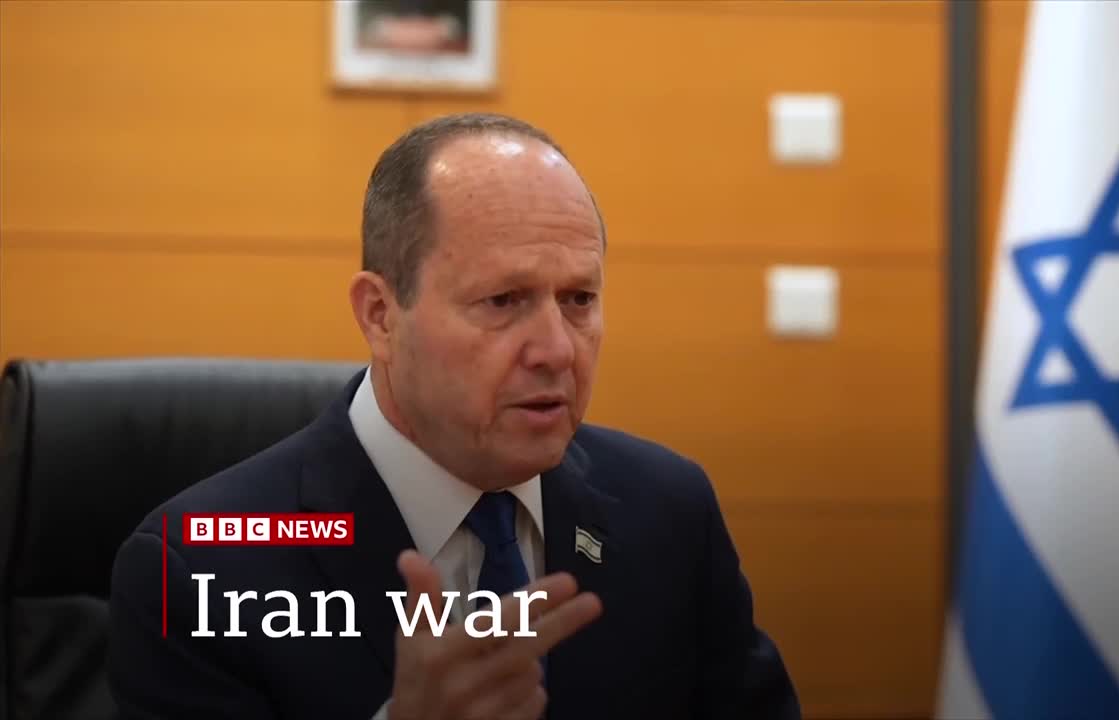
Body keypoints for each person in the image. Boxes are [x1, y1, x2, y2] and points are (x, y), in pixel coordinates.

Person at [109, 113, 800, 720]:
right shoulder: (199, 565)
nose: (557, 350)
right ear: (381, 316)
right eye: (504, 300)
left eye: (579, 299)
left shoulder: (669, 511)